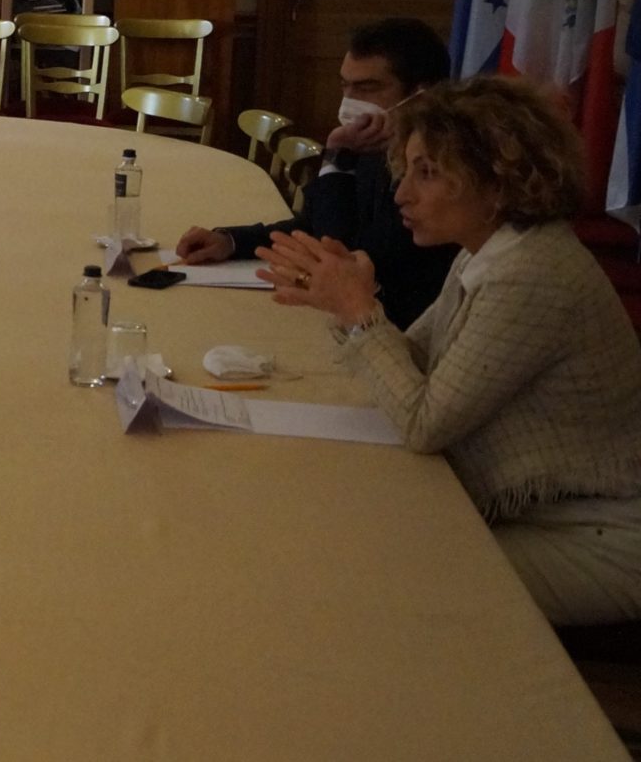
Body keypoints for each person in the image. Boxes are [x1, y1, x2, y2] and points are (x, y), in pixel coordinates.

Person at [257, 76, 641, 626]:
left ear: (498, 182)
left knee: (377, 575)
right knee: (339, 521)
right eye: (408, 169)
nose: (402, 194)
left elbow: (423, 422)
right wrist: (351, 301)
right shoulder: (487, 250)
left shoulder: (532, 273)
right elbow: (414, 361)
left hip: (600, 536)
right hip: (547, 517)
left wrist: (359, 312)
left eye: (428, 173)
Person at [176, 18, 457, 327]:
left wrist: (336, 155)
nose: (350, 100)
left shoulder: (437, 171)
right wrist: (230, 242)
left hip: (396, 327)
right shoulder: (370, 145)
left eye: (367, 88)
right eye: (345, 86)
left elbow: (336, 250)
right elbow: (312, 224)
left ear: (421, 96)